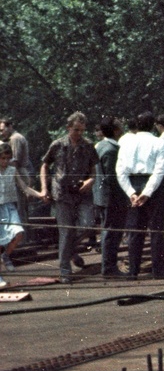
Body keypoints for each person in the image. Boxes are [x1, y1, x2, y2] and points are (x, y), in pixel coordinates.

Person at [39, 112, 97, 284]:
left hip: (82, 192)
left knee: (88, 224)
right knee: (66, 231)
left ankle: (70, 250)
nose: (79, 133)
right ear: (68, 128)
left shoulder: (88, 146)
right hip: (62, 193)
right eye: (76, 130)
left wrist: (91, 180)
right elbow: (44, 164)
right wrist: (44, 188)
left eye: (82, 130)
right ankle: (65, 271)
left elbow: (94, 169)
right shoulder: (57, 145)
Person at [116, 112, 164, 280]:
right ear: (153, 124)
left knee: (134, 230)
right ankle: (158, 270)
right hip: (153, 185)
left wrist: (131, 192)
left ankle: (133, 270)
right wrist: (147, 192)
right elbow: (159, 170)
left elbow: (120, 171)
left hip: (132, 184)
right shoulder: (159, 142)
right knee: (156, 229)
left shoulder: (125, 143)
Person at [0, 142, 45, 285]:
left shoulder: (12, 171)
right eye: (2, 158)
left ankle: (5, 255)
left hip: (10, 207)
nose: (5, 161)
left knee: (19, 233)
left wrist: (40, 194)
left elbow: (24, 187)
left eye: (8, 158)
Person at [94, 118, 126, 278]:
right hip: (112, 198)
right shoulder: (111, 150)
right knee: (112, 232)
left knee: (108, 230)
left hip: (101, 197)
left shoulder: (99, 146)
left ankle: (108, 265)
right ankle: (109, 267)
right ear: (114, 130)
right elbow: (112, 178)